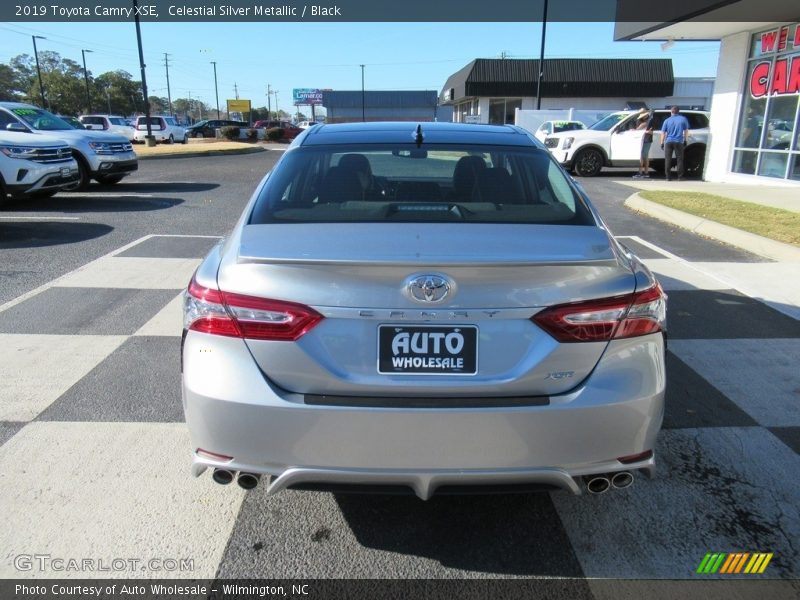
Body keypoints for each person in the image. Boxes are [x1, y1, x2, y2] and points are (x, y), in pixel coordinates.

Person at [660, 106, 690, 180]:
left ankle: (668, 177)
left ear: (671, 111)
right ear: (678, 111)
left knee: (668, 159)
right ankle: (680, 176)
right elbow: (686, 131)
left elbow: (663, 133)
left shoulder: (667, 120)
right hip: (679, 141)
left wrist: (661, 143)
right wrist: (685, 140)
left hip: (668, 141)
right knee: (679, 159)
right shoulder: (683, 119)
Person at [633, 110, 654, 178]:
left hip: (646, 140)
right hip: (646, 140)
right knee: (645, 156)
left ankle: (641, 172)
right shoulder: (648, 122)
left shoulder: (645, 123)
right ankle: (645, 172)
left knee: (642, 156)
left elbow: (638, 130)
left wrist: (635, 130)